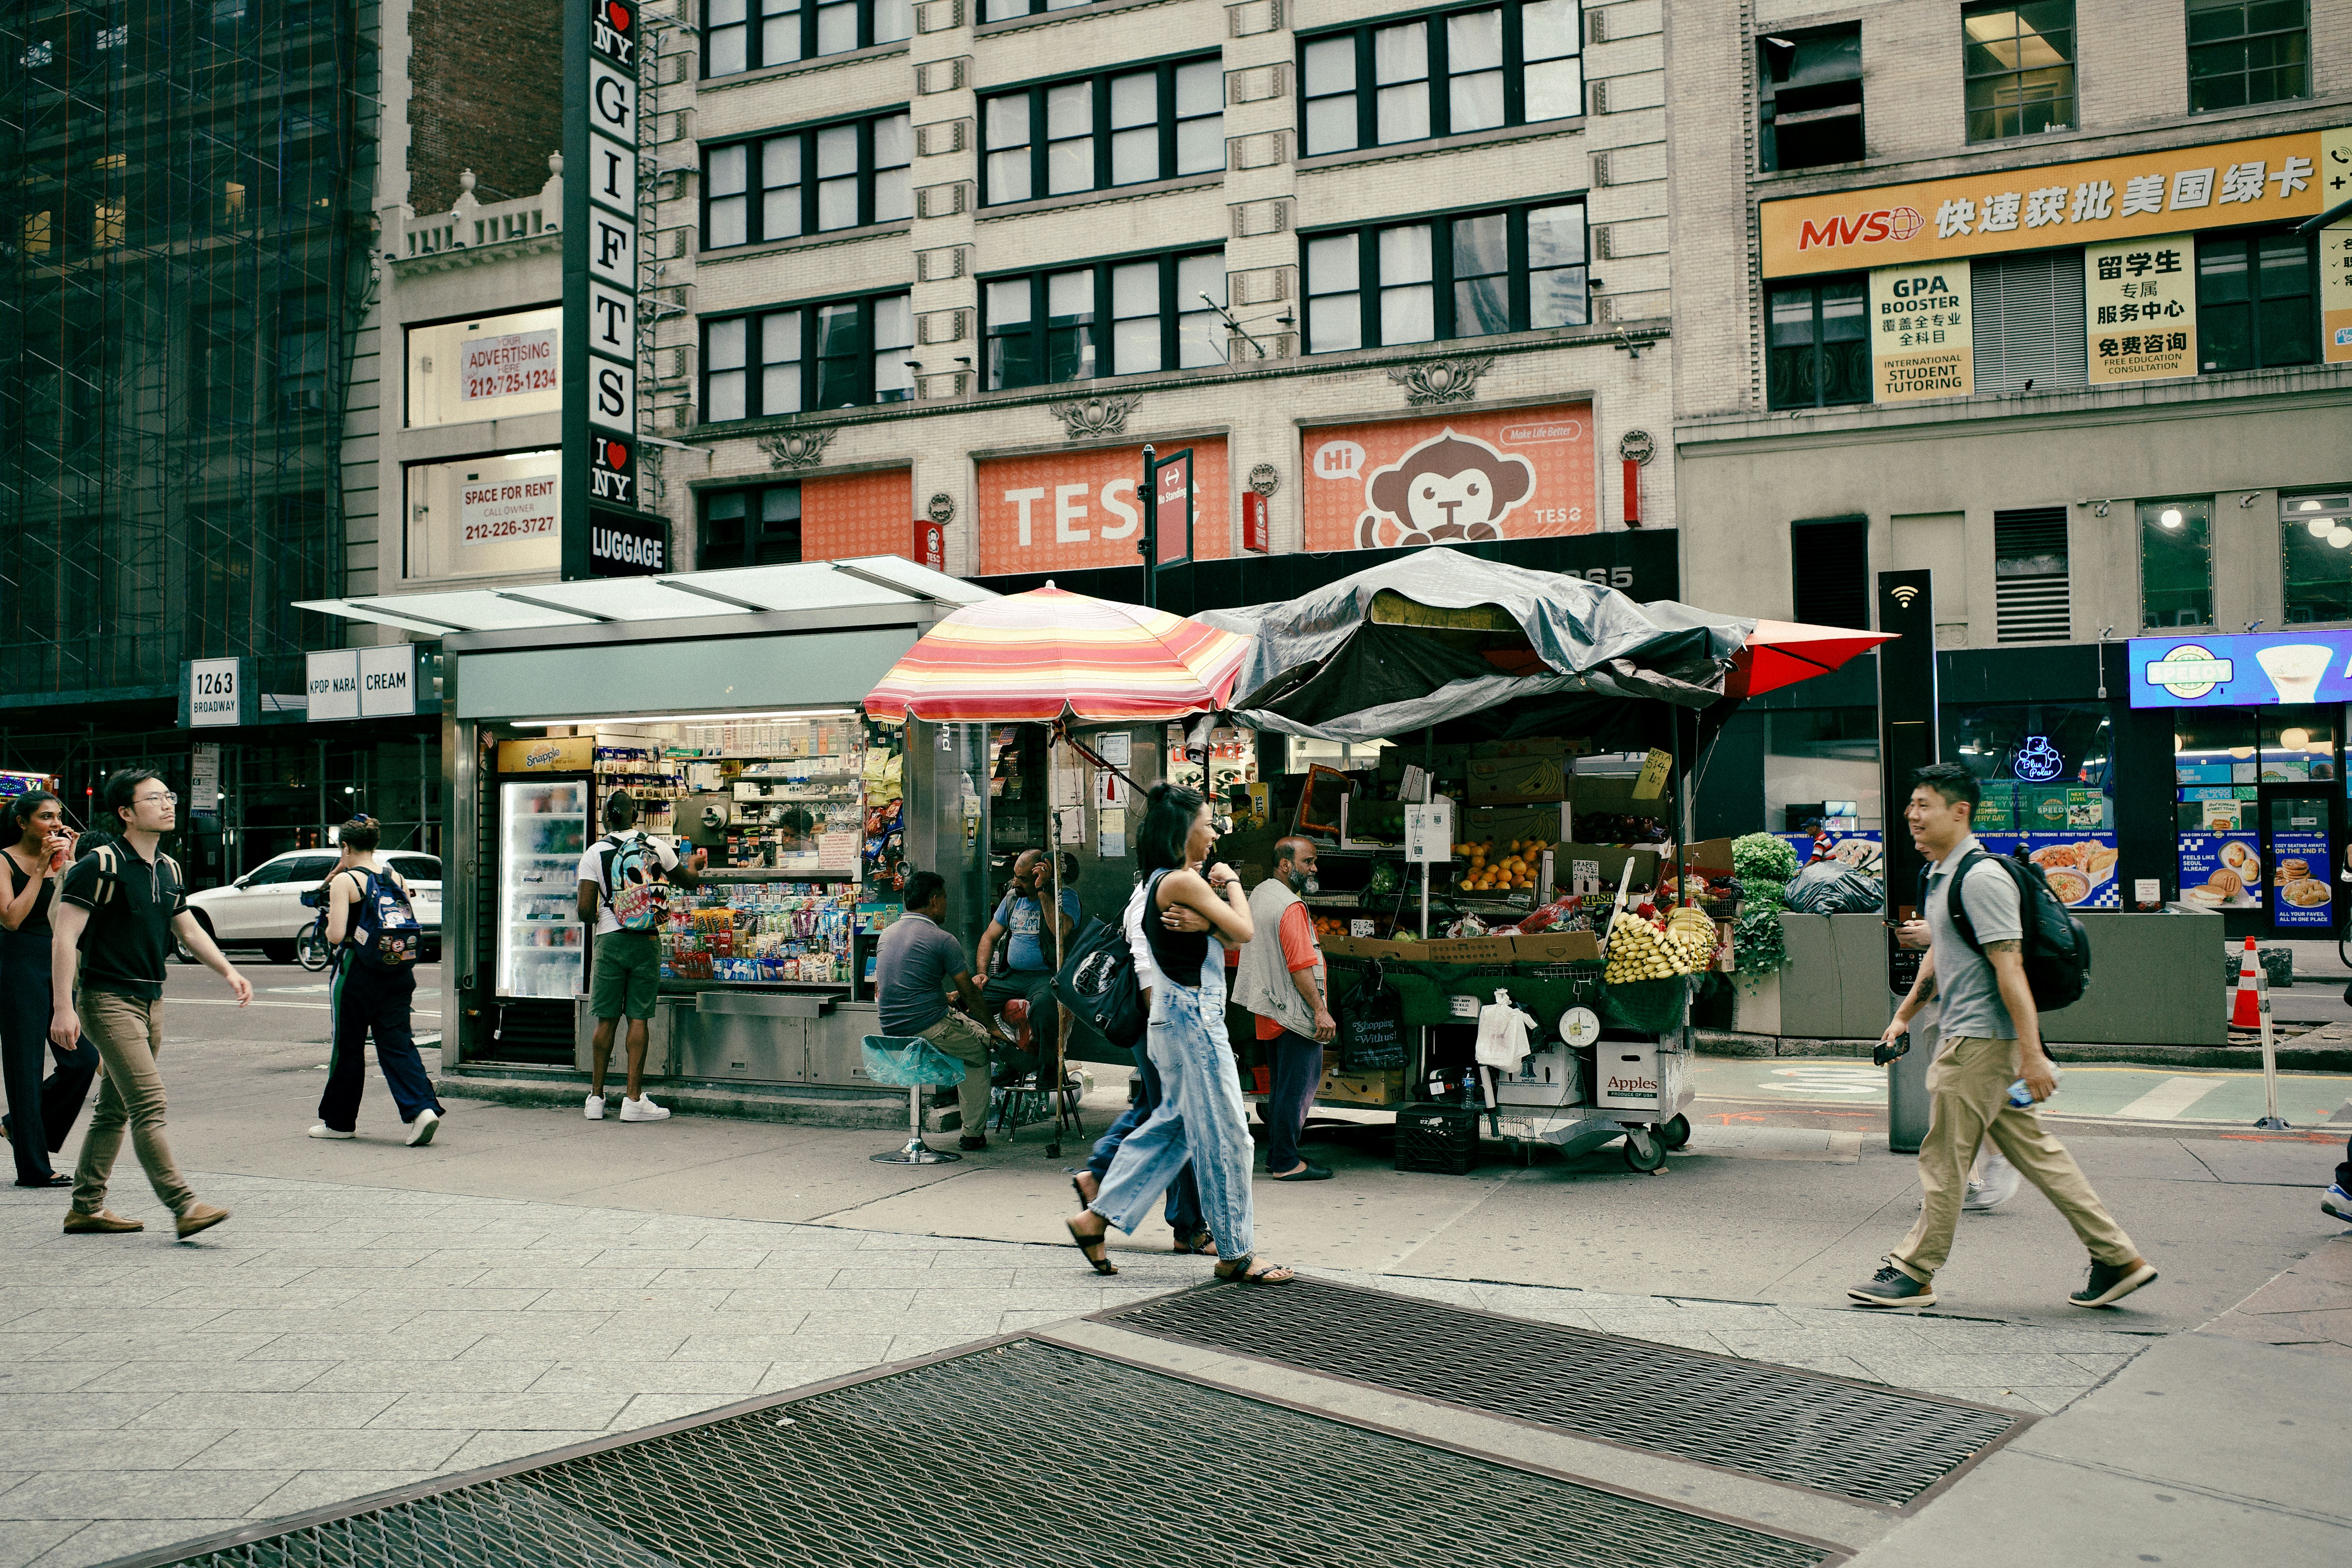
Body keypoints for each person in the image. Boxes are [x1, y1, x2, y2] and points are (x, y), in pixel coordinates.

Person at [1852, 763, 2155, 1311]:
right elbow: (1941, 957)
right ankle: (2117, 1258)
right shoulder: (1942, 876)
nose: (1912, 816)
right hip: (1975, 1039)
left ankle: (1913, 1270)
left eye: (1925, 805)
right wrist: (1903, 1016)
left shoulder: (1981, 878)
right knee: (2040, 1156)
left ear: (1959, 812)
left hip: (1980, 1043)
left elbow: (2009, 968)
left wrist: (2032, 1055)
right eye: (1912, 805)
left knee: (1944, 1158)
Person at [1067, 782, 1291, 1285]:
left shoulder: (1169, 881)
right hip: (1192, 1019)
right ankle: (1235, 1252)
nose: (1214, 833)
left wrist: (1209, 924)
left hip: (1176, 1019)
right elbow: (1246, 930)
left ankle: (1096, 1217)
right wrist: (1231, 882)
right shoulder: (1181, 883)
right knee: (1232, 1137)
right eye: (1208, 823)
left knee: (1175, 1130)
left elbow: (1230, 933)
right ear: (1182, 830)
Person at [49, 769, 249, 1239]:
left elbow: (188, 929)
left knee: (114, 1109)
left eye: (169, 796)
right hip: (107, 999)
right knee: (149, 1103)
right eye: (154, 798)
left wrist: (228, 971)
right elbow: (65, 935)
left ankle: (85, 1207)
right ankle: (184, 1205)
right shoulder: (100, 864)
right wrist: (64, 1007)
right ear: (126, 812)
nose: (167, 805)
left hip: (150, 999)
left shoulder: (169, 867)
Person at [309, 817, 445, 1146]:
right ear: (375, 844)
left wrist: (329, 923)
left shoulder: (346, 881)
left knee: (348, 1047)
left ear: (345, 846)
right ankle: (422, 1109)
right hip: (398, 970)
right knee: (398, 1042)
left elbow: (337, 935)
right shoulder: (394, 876)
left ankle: (340, 1123)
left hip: (357, 973)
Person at [576, 791, 705, 1122]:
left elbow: (584, 911)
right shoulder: (657, 846)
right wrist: (695, 865)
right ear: (635, 816)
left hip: (609, 941)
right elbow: (689, 882)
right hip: (646, 940)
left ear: (607, 817)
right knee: (638, 1018)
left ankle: (596, 1098)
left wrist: (611, 913)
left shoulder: (594, 853)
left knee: (606, 1019)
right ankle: (633, 1100)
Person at [1, 791, 99, 1188]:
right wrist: (41, 867)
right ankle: (34, 1168)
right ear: (23, 822)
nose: (56, 825)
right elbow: (12, 919)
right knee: (24, 1069)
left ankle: (14, 1124)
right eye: (45, 817)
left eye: (58, 817)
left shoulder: (62, 862)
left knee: (82, 1060)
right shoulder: (5, 861)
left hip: (57, 966)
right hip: (16, 967)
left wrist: (70, 863)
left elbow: (72, 914)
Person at [1234, 835, 1335, 1182]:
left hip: (1269, 1007)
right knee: (1297, 1090)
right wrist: (1320, 1011)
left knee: (1281, 1088)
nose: (1314, 868)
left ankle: (1279, 1154)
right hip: (1292, 1011)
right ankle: (1286, 1163)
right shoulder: (1291, 907)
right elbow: (1300, 965)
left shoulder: (1261, 894)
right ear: (1286, 864)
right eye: (1308, 861)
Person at [873, 870, 994, 1153]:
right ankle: (973, 1135)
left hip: (890, 1029)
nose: (947, 905)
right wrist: (993, 1027)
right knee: (978, 1052)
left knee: (965, 1034)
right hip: (927, 1026)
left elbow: (907, 987)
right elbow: (970, 994)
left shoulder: (887, 935)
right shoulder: (943, 939)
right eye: (946, 899)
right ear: (935, 900)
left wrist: (947, 998)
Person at [974, 848, 1080, 1066]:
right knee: (973, 1002)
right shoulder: (1013, 899)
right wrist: (982, 973)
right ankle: (1009, 1059)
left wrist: (1042, 891)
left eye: (1023, 879)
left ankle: (1046, 1069)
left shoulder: (1065, 897)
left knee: (1044, 1009)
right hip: (1012, 976)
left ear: (1039, 877)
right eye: (1015, 876)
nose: (1015, 883)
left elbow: (1060, 931)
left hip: (1047, 976)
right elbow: (989, 938)